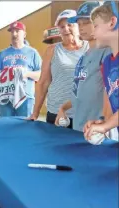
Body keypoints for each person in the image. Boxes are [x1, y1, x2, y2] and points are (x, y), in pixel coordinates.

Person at [53, 2, 111, 132]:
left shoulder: (108, 53)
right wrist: (63, 108)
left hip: (99, 132)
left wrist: (104, 123)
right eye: (79, 24)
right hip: (79, 128)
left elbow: (112, 94)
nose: (81, 27)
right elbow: (78, 94)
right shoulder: (82, 59)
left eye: (86, 22)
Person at [29, 10, 89, 128]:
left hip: (85, 114)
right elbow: (43, 83)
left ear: (78, 25)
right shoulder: (52, 50)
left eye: (70, 25)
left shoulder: (90, 47)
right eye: (62, 26)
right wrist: (35, 113)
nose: (66, 29)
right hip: (56, 113)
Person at [0, 21, 42, 117]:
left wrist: (25, 73)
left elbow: (41, 75)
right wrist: (8, 73)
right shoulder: (3, 53)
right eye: (12, 32)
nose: (14, 34)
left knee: (24, 128)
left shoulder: (32, 52)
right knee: (5, 126)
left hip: (25, 97)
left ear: (24, 34)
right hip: (5, 97)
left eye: (17, 31)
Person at [84, 1, 119, 140]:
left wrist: (106, 126)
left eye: (96, 26)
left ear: (112, 22)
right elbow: (112, 99)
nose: (92, 32)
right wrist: (105, 122)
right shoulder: (107, 63)